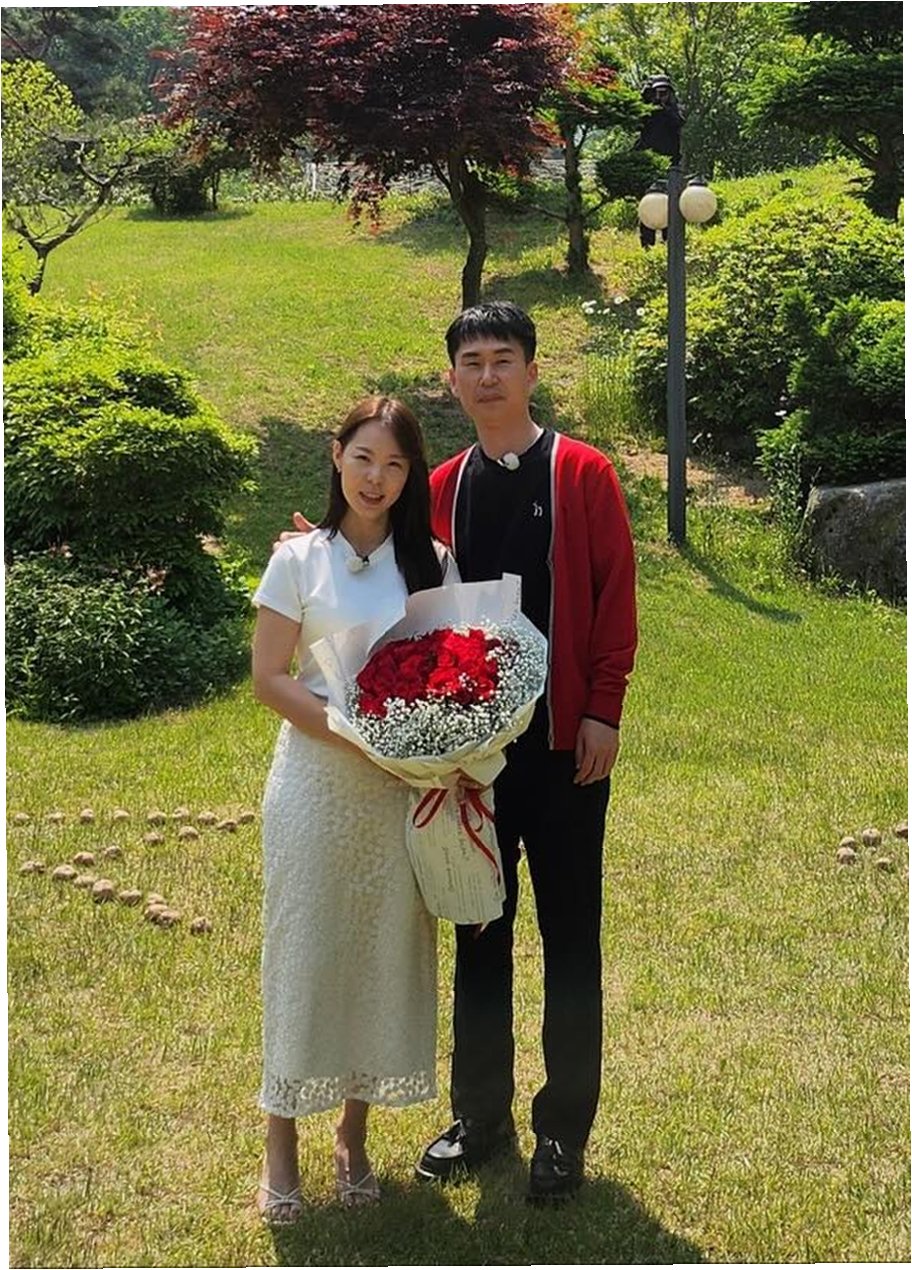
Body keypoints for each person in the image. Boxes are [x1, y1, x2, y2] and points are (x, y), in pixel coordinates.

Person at [278, 302, 637, 1201]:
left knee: (571, 940)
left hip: (566, 753)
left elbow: (615, 595)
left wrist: (602, 711)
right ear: (451, 380)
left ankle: (563, 1133)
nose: (487, 376)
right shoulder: (441, 485)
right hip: (470, 764)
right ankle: (480, 1118)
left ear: (532, 371)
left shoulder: (583, 473)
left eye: (503, 359)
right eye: (471, 362)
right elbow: (378, 559)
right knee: (479, 932)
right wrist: (312, 547)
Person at [252, 395, 458, 1223]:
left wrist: (436, 743)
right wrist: (353, 732)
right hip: (315, 783)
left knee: (379, 952)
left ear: (411, 477)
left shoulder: (433, 564)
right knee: (304, 953)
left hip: (395, 793)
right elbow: (270, 678)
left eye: (395, 465)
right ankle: (279, 1144)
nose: (376, 478)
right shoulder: (298, 560)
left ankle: (353, 1134)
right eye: (364, 457)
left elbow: (455, 673)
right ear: (337, 455)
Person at [634, 73, 685, 248]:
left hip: (670, 164)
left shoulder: (675, 109)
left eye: (664, 92)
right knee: (648, 203)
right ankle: (647, 244)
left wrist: (665, 108)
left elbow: (679, 123)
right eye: (658, 92)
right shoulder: (646, 109)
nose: (660, 96)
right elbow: (637, 122)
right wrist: (647, 100)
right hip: (648, 163)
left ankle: (669, 243)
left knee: (670, 204)